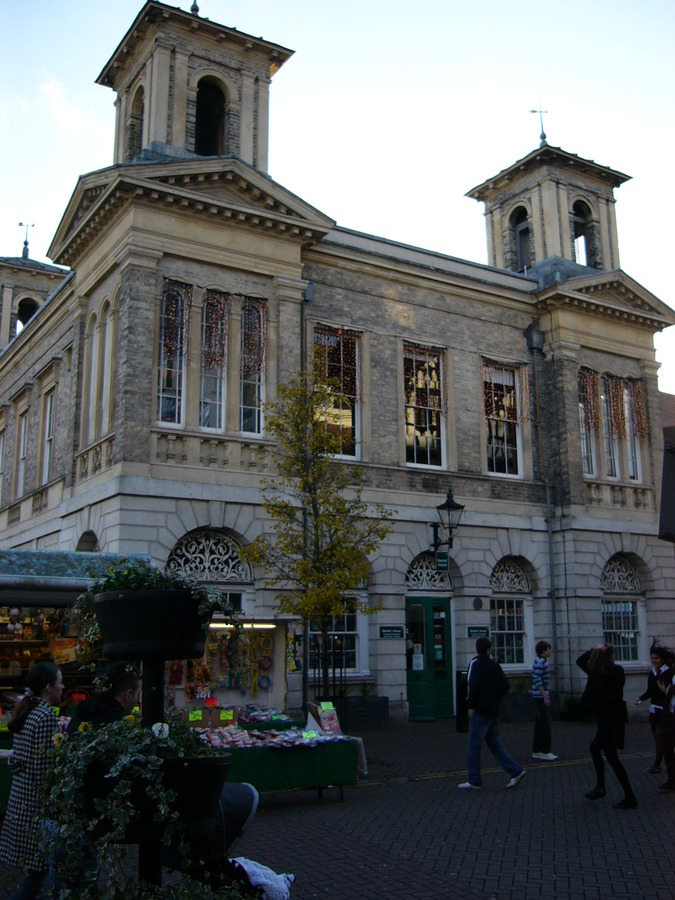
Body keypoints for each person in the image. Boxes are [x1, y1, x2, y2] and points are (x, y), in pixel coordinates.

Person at [64, 662, 258, 888]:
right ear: (128, 694)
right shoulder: (119, 724)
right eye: (137, 693)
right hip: (101, 813)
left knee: (71, 877)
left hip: (78, 809)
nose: (137, 700)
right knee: (73, 880)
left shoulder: (85, 714)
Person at [0, 662, 63, 899]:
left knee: (38, 876)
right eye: (60, 681)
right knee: (41, 875)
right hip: (36, 811)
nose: (63, 686)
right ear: (48, 687)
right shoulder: (45, 716)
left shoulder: (26, 711)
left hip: (21, 805)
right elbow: (46, 771)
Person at [458, 637, 526, 790]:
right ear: (489, 650)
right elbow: (505, 686)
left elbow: (472, 687)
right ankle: (515, 771)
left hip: (481, 711)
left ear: (477, 649)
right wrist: (495, 698)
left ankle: (474, 780)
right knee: (494, 744)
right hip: (494, 709)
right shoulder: (495, 665)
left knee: (474, 746)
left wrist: (472, 704)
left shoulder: (475, 664)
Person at [577, 643, 637, 809]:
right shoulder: (617, 671)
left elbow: (580, 660)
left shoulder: (596, 673)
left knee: (610, 756)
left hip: (607, 719)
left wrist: (593, 649)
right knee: (598, 750)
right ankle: (602, 787)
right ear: (612, 656)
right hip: (614, 718)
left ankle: (626, 795)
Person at [634, 643, 671, 774]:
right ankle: (659, 763)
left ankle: (657, 764)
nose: (654, 661)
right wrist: (641, 698)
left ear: (663, 659)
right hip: (654, 708)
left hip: (664, 708)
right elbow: (650, 690)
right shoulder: (653, 672)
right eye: (652, 658)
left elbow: (668, 691)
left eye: (657, 658)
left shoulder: (669, 672)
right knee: (656, 737)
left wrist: (664, 690)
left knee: (661, 736)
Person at [531, 640, 558, 761]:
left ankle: (537, 750)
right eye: (548, 649)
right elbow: (537, 680)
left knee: (540, 724)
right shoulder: (540, 663)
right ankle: (545, 750)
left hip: (538, 696)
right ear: (543, 651)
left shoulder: (540, 662)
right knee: (545, 724)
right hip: (540, 697)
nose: (550, 651)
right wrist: (545, 696)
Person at [657, 666, 675, 792]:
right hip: (671, 717)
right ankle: (671, 780)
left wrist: (669, 689)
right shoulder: (673, 675)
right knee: (668, 749)